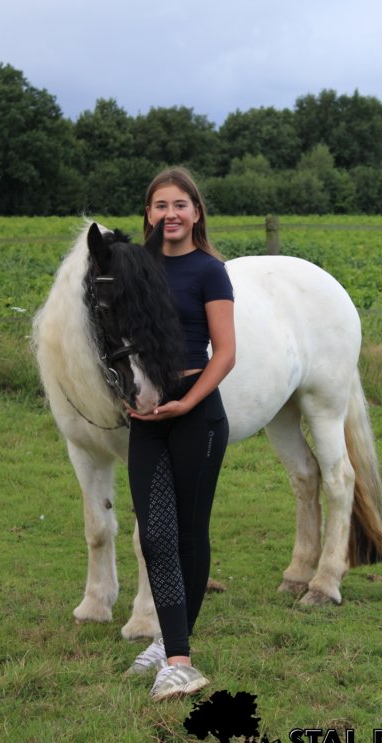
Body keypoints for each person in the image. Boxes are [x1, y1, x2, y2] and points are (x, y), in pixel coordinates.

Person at [125, 167, 236, 701]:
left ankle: (178, 658)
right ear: (148, 214)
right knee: (154, 534)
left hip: (197, 413)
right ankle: (171, 645)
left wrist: (188, 402)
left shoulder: (210, 272)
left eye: (180, 205)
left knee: (189, 532)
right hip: (147, 417)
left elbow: (226, 352)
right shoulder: (134, 268)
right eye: (160, 205)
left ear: (195, 213)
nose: (170, 214)